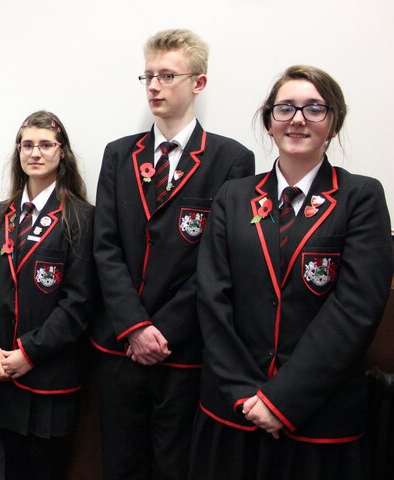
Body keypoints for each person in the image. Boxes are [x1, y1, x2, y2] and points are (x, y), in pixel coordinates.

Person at [190, 65, 394, 480]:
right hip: (235, 411)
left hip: (319, 417)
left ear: (333, 124)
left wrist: (281, 401)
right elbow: (212, 297)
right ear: (269, 122)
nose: (298, 119)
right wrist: (248, 395)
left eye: (314, 108)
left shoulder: (361, 197)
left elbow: (354, 311)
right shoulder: (234, 196)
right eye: (285, 108)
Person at [91, 29, 255, 480]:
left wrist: (160, 331)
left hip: (181, 347)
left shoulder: (231, 159)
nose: (154, 87)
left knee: (175, 465)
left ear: (198, 83)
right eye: (147, 76)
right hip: (120, 342)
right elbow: (105, 246)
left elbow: (219, 261)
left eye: (167, 75)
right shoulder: (119, 154)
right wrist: (134, 326)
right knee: (121, 462)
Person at [0, 110, 96, 479]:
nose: (35, 152)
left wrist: (28, 353)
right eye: (27, 144)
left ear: (63, 153)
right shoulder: (1, 214)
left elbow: (79, 303)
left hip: (48, 374)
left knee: (44, 467)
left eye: (45, 144)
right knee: (2, 466)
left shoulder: (81, 217)